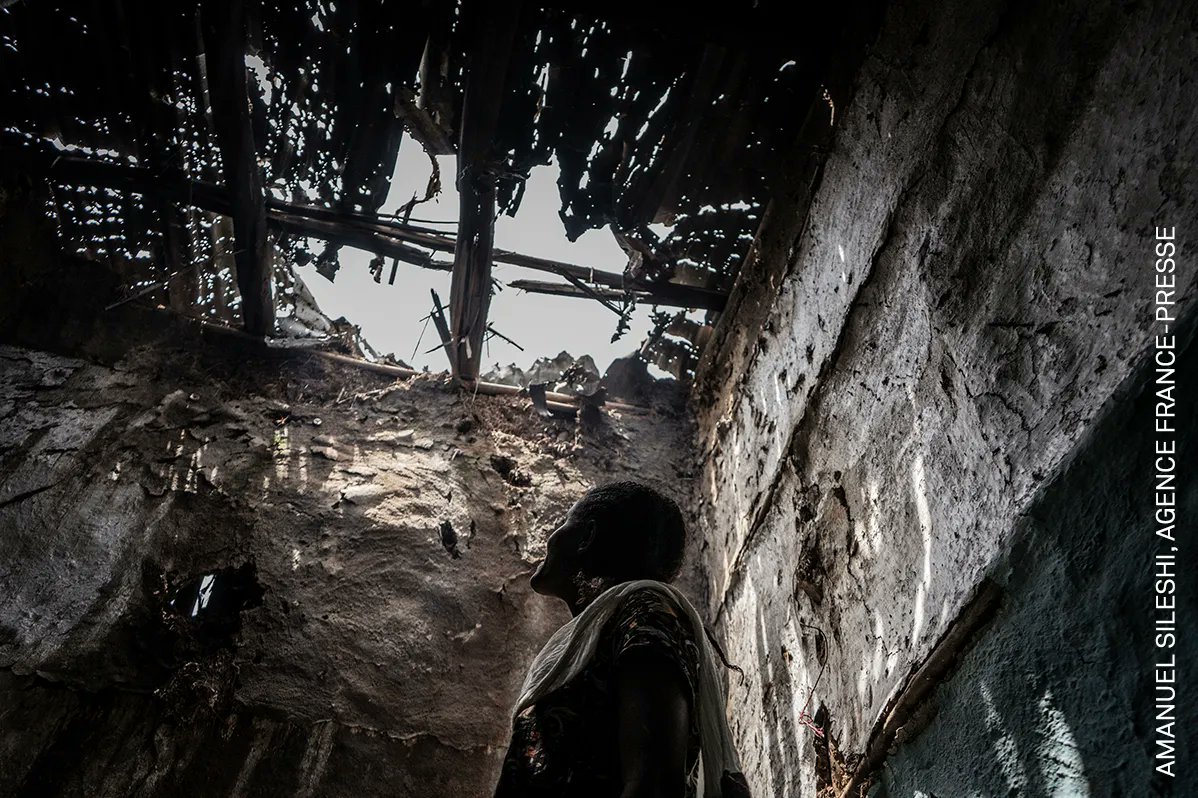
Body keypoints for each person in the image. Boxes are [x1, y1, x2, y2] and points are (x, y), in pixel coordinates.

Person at [493, 481, 752, 798]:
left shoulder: (646, 614)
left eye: (564, 523)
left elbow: (652, 785)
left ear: (587, 537)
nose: (551, 536)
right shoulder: (609, 631)